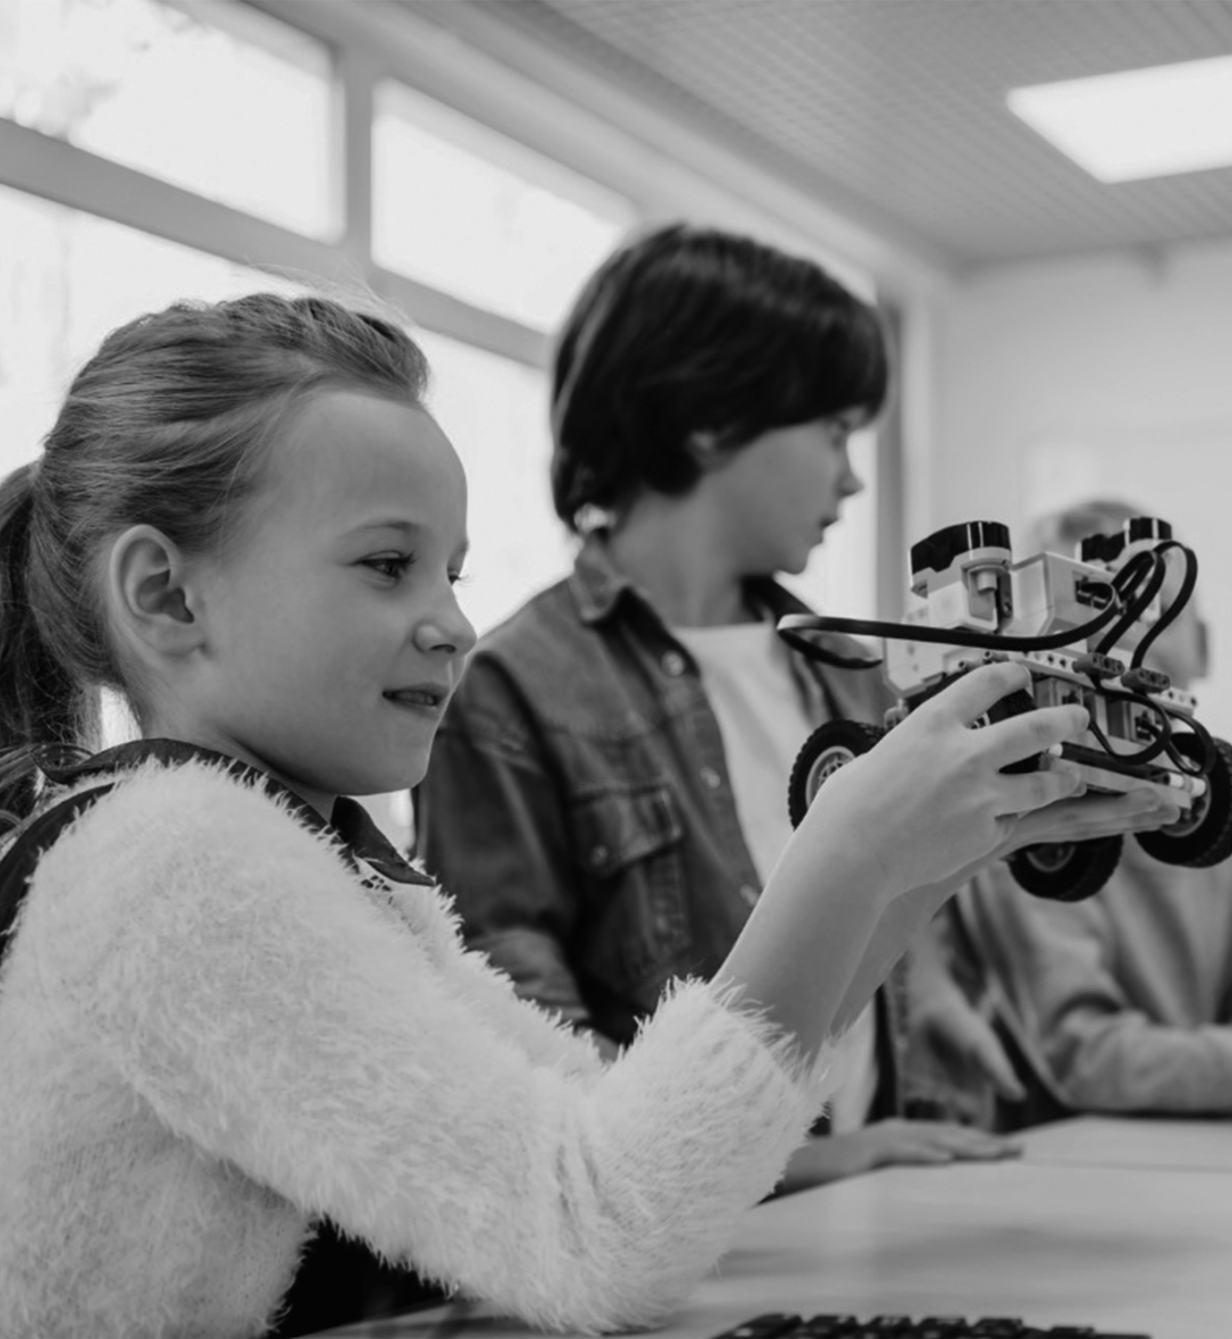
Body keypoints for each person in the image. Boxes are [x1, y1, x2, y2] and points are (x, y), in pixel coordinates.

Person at [0, 293, 1169, 1338]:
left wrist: (918, 867)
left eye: (451, 570)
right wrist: (850, 859)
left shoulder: (286, 855)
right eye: (386, 564)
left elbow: (620, 1125)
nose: (454, 621)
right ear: (165, 594)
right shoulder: (176, 868)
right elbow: (596, 1231)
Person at [414, 224, 1027, 1191]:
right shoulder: (512, 690)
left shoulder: (849, 668)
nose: (852, 474)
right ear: (708, 419)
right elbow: (535, 1073)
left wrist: (937, 991)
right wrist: (811, 1165)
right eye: (832, 431)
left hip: (880, 1212)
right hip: (694, 1259)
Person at [945, 498, 1232, 1125]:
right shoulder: (1018, 804)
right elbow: (1080, 1053)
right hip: (1059, 1159)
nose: (1133, 631)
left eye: (1158, 608)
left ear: (1207, 647)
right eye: (1096, 603)